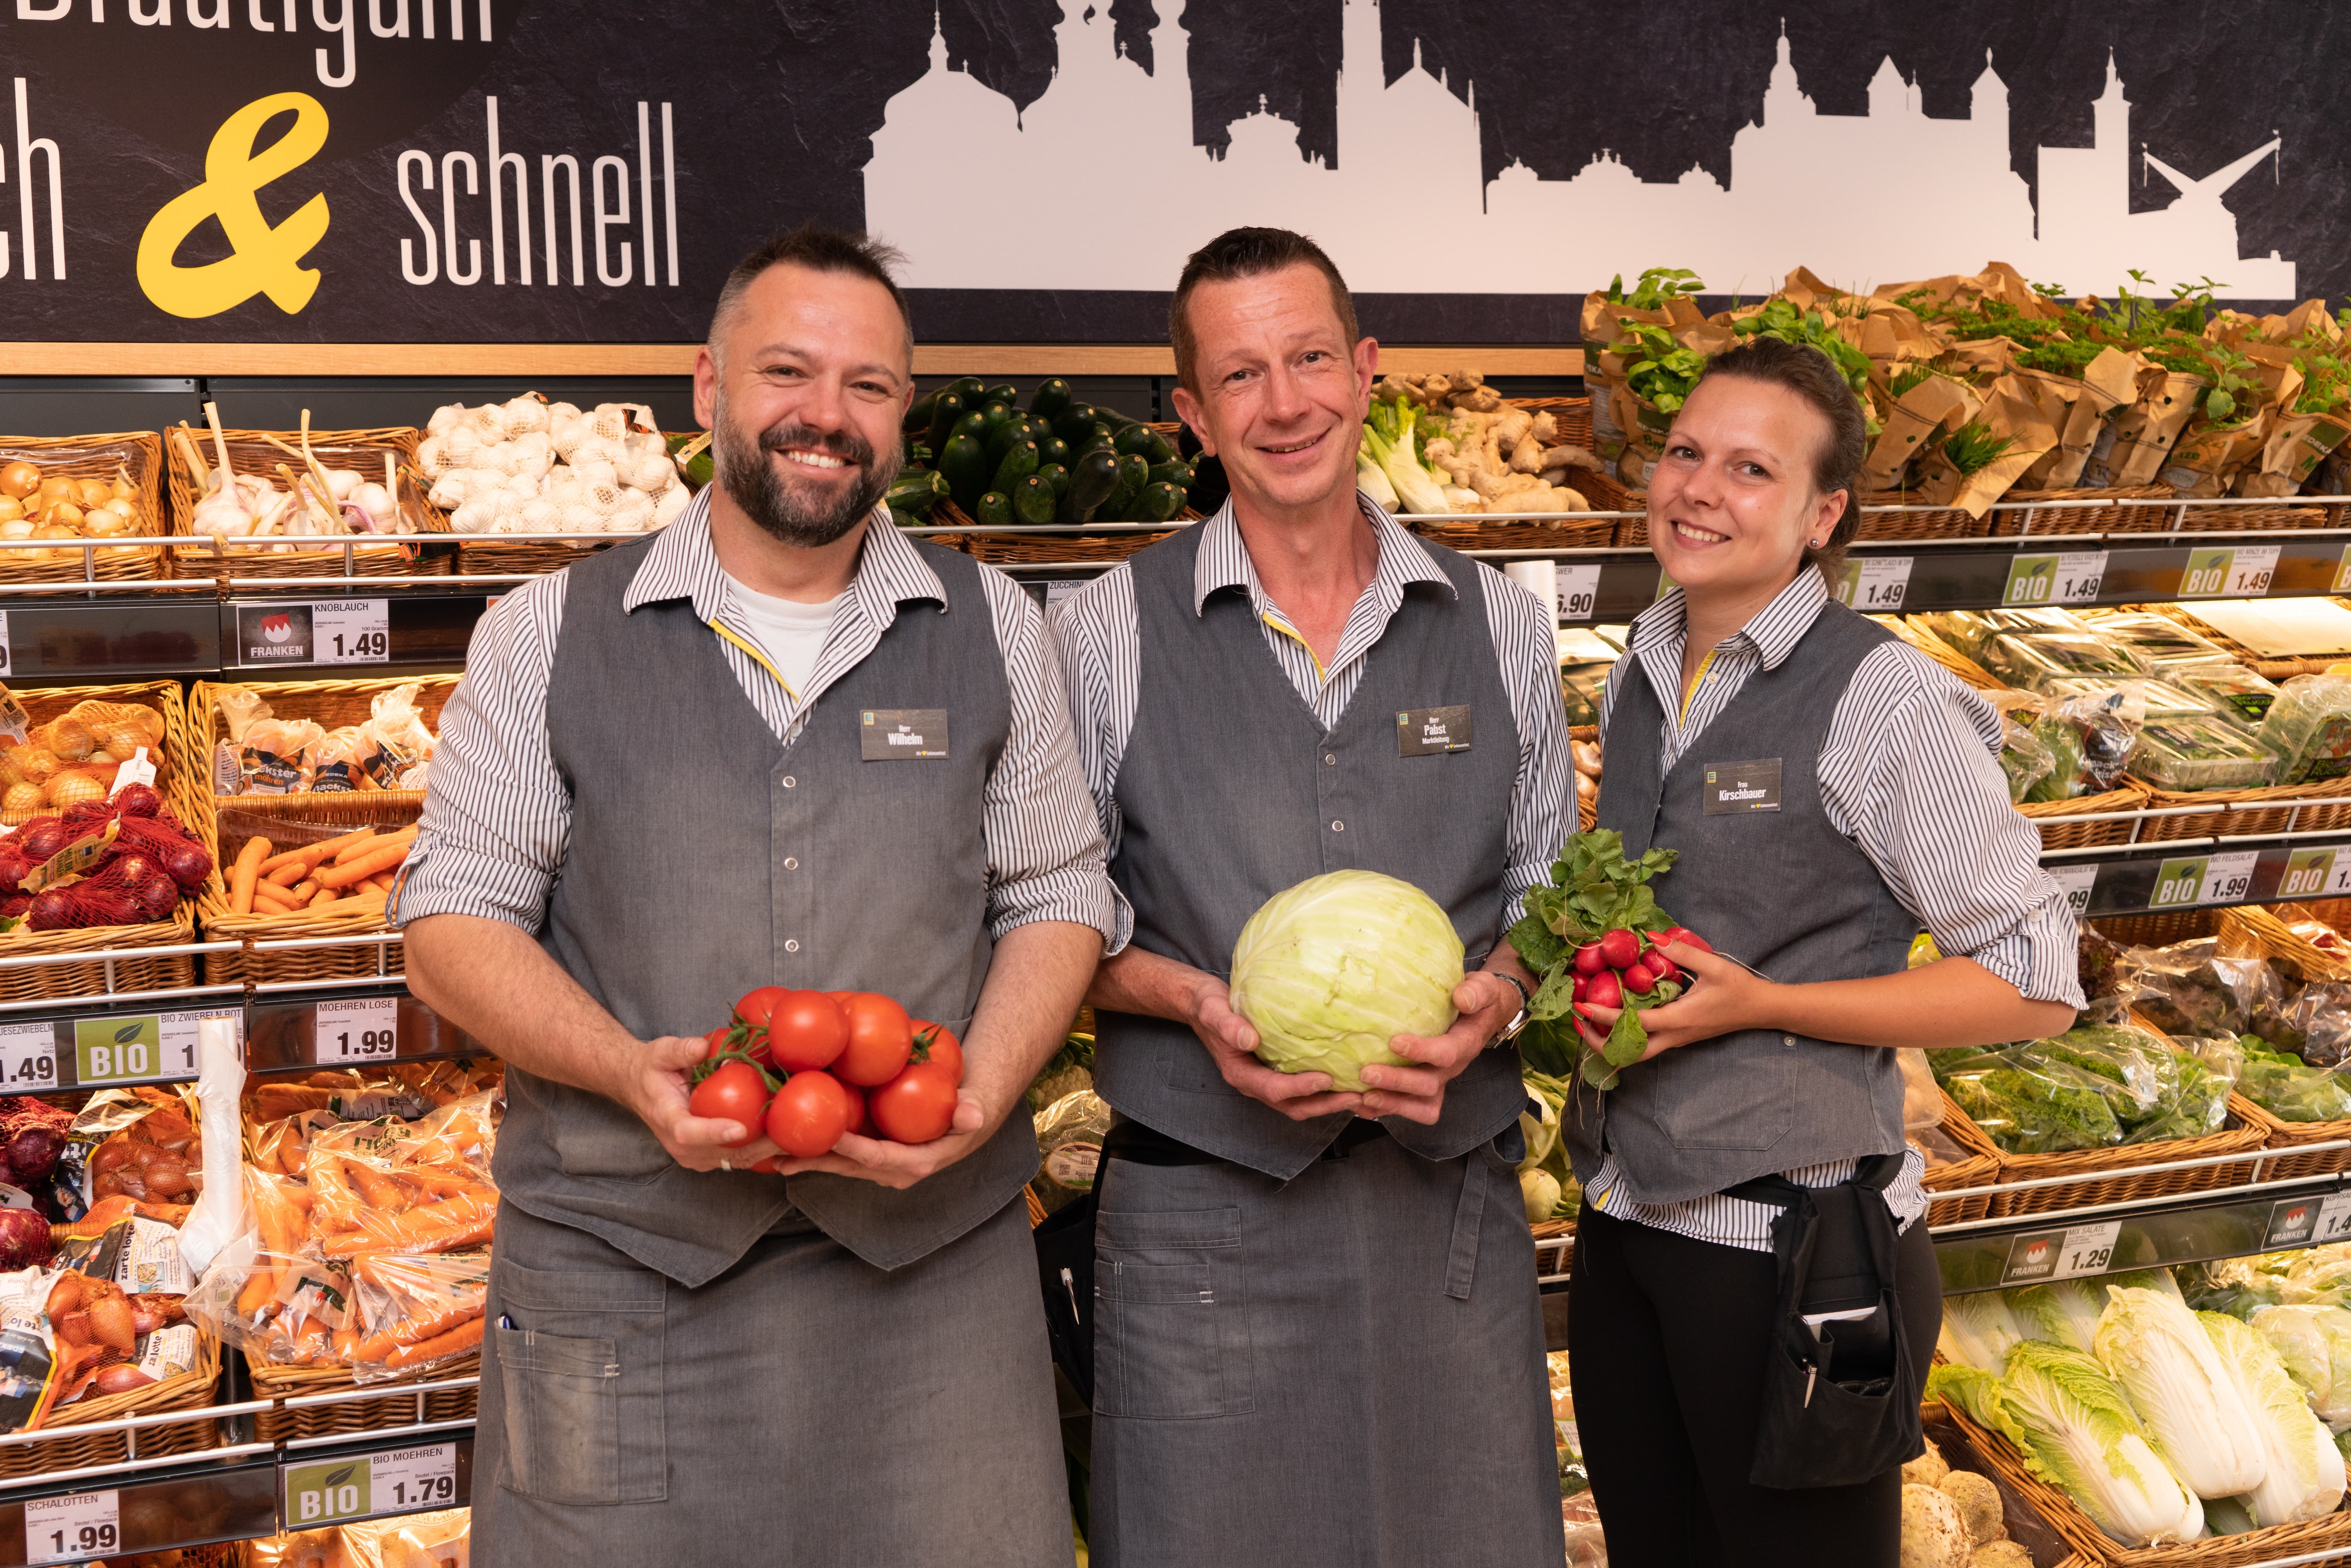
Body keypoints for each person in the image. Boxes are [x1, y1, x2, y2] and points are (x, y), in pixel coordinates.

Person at [395, 225, 1115, 1568]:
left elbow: (1058, 889)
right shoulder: (543, 633)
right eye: (788, 371)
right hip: (622, 1279)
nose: (825, 415)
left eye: (868, 385)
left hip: (932, 1287)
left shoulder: (998, 629)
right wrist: (627, 1072)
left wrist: (977, 1096)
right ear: (708, 386)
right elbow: (451, 925)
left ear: (902, 411)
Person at [1049, 226, 1571, 1567]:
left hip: (1445, 1217)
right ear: (1193, 413)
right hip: (1200, 1219)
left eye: (1311, 359)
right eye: (1241, 376)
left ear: (1366, 368)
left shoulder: (1502, 621)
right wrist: (1191, 1002)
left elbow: (1551, 895)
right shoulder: (1100, 630)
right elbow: (1051, 917)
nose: (1284, 404)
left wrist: (1498, 1001)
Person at [1563, 336, 2083, 1567]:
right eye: (1684, 452)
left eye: (1752, 469)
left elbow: (2034, 980)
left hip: (1796, 1254)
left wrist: (1764, 1004)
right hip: (1627, 1218)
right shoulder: (1642, 668)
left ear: (1822, 514)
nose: (1700, 490)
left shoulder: (1881, 699)